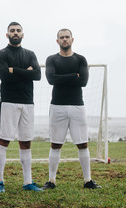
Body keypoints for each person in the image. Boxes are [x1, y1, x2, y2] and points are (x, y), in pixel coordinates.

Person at [42, 28, 101, 190]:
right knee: (55, 144)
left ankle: (88, 180)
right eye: (62, 37)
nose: (65, 40)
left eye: (67, 37)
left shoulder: (80, 59)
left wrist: (66, 78)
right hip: (57, 106)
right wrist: (72, 76)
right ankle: (51, 181)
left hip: (77, 106)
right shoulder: (52, 59)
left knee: (82, 144)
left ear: (72, 40)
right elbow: (51, 79)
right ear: (57, 41)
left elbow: (83, 82)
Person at [0, 22, 43, 193]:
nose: (15, 33)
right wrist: (25, 71)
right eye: (12, 31)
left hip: (28, 102)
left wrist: (14, 70)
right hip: (8, 101)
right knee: (4, 141)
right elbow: (5, 77)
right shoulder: (1, 54)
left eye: (18, 30)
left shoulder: (30, 54)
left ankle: (27, 182)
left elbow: (37, 75)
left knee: (26, 142)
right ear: (7, 34)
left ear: (23, 34)